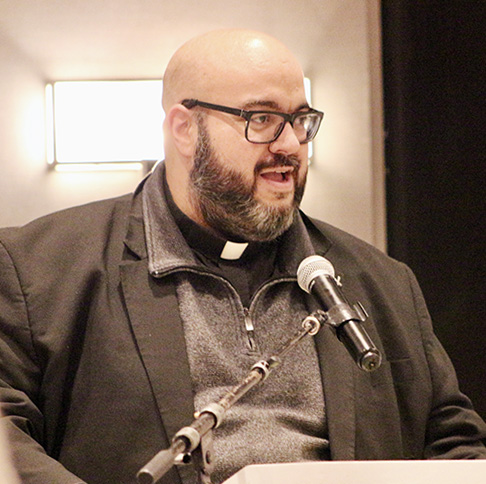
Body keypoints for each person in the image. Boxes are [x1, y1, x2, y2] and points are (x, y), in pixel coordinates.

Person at [0, 29, 485, 484]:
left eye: (300, 120)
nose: (291, 144)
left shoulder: (382, 281)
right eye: (262, 120)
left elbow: (454, 444)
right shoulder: (40, 268)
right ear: (185, 129)